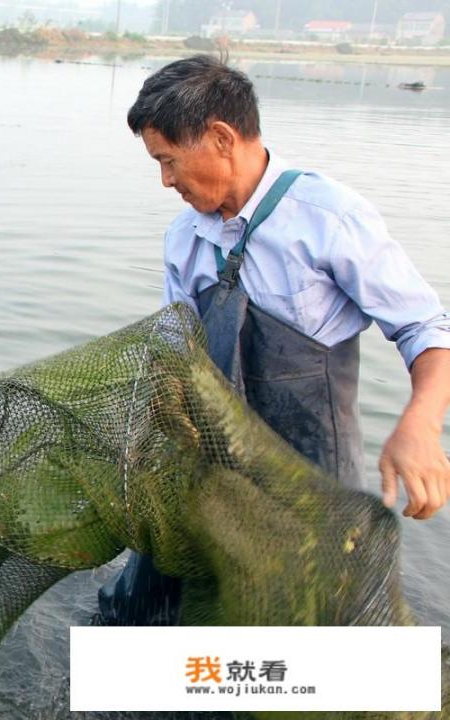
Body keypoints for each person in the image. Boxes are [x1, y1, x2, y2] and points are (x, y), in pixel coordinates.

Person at [97, 55, 450, 625]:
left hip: (311, 489)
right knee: (163, 622)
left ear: (220, 137)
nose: (166, 181)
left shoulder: (327, 219)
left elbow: (427, 330)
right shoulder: (185, 237)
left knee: (301, 643)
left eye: (168, 161)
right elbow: (176, 354)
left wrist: (419, 427)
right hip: (213, 476)